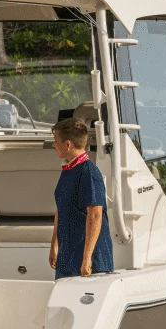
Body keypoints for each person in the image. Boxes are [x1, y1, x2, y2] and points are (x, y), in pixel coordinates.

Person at [49, 117, 114, 279]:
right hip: (68, 257)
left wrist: (87, 259)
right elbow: (61, 209)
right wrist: (54, 244)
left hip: (89, 261)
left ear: (68, 144)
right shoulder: (68, 170)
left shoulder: (89, 172)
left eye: (56, 140)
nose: (53, 145)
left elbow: (95, 215)